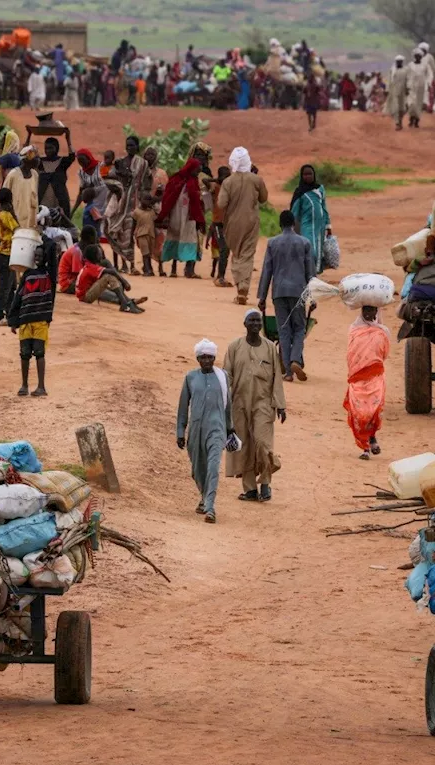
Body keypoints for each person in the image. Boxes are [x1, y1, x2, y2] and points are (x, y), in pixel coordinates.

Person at [225, 310, 287, 502]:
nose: (254, 324)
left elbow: (277, 377)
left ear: (261, 325)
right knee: (245, 446)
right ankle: (250, 489)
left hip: (263, 403)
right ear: (244, 324)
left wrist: (281, 405)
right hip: (239, 403)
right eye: (251, 321)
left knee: (262, 443)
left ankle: (266, 481)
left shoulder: (269, 347)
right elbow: (226, 375)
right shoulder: (234, 347)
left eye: (258, 321)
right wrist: (223, 402)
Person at [176, 339, 236, 524]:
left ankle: (210, 507)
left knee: (212, 467)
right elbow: (183, 406)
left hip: (217, 429)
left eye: (210, 357)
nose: (207, 361)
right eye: (203, 357)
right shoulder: (190, 378)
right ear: (198, 359)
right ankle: (204, 497)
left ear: (214, 357)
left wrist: (230, 428)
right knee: (197, 469)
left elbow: (228, 405)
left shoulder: (222, 377)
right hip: (195, 430)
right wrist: (180, 431)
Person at [257, 210, 314, 381]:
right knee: (299, 328)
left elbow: (267, 270)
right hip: (298, 292)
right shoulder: (304, 242)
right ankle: (296, 359)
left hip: (279, 292)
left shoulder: (273, 243)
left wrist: (262, 297)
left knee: (284, 330)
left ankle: (288, 372)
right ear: (293, 224)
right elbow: (310, 273)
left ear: (280, 224)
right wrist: (313, 297)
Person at [217, 148, 268, 303]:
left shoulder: (228, 182)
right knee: (247, 254)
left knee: (237, 255)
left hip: (232, 223)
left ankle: (240, 285)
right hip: (251, 222)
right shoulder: (256, 180)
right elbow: (264, 198)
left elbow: (221, 203)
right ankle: (243, 287)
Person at [8, 242, 57, 397]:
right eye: (35, 255)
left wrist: (41, 238)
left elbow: (53, 247)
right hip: (25, 318)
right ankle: (24, 385)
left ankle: (41, 386)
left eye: (41, 256)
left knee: (39, 352)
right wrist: (13, 319)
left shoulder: (50, 274)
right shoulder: (27, 275)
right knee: (24, 353)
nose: (38, 258)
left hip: (41, 318)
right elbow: (18, 296)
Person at [344, 305, 389, 459]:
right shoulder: (354, 330)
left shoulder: (382, 332)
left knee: (373, 412)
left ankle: (372, 438)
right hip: (357, 378)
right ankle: (365, 448)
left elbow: (384, 354)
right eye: (366, 311)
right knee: (359, 414)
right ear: (361, 312)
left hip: (375, 377)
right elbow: (351, 352)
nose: (369, 314)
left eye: (372, 311)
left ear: (377, 312)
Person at [158, 158, 206, 279]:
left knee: (191, 239)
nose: (198, 172)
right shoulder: (176, 179)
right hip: (176, 214)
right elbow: (168, 197)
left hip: (190, 216)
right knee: (175, 237)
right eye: (196, 169)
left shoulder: (194, 182)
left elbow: (197, 201)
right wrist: (166, 215)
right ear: (191, 168)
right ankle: (173, 269)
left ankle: (189, 270)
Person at [75, 243, 146, 313]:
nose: (101, 256)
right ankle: (124, 304)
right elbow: (112, 272)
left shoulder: (89, 265)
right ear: (94, 256)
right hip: (85, 297)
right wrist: (124, 282)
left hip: (87, 292)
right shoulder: (90, 267)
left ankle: (129, 303)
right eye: (99, 254)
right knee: (108, 276)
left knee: (113, 284)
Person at [290, 164, 331, 274]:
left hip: (320, 227)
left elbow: (324, 208)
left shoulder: (320, 189)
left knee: (319, 252)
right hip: (306, 226)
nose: (307, 176)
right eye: (305, 174)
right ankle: (309, 274)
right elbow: (294, 211)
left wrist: (328, 226)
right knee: (310, 252)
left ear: (314, 175)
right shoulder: (300, 192)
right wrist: (291, 228)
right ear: (301, 176)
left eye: (310, 174)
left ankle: (314, 275)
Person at [0, 188, 19, 324]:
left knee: (10, 285)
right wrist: (13, 211)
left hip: (4, 253)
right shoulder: (6, 215)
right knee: (5, 286)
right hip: (7, 253)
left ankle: (7, 313)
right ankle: (1, 314)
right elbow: (17, 228)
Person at [37, 133, 75, 220]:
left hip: (60, 199)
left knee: (60, 221)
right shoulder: (40, 162)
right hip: (43, 199)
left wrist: (68, 139)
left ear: (57, 148)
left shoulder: (62, 162)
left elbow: (72, 156)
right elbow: (25, 156)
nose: (48, 151)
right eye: (46, 148)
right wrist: (29, 135)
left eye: (50, 148)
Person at [3, 148, 39, 234]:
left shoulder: (35, 175)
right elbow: (4, 198)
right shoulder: (13, 175)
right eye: (36, 158)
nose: (38, 161)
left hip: (30, 218)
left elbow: (35, 196)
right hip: (15, 218)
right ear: (26, 160)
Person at [386, 56, 410, 131]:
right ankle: (397, 123)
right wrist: (387, 89)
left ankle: (400, 121)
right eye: (397, 61)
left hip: (403, 91)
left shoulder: (406, 70)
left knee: (403, 109)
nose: (399, 62)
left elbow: (408, 80)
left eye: (400, 61)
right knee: (395, 107)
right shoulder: (392, 70)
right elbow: (389, 80)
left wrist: (408, 89)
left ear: (402, 62)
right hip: (394, 91)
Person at [405, 50, 425, 128]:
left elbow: (426, 77)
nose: (417, 57)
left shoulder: (424, 66)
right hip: (411, 87)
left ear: (421, 57)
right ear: (414, 56)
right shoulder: (410, 65)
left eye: (419, 56)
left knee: (418, 105)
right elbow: (407, 76)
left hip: (420, 88)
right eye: (416, 55)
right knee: (411, 104)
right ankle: (411, 119)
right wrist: (406, 87)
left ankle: (416, 121)